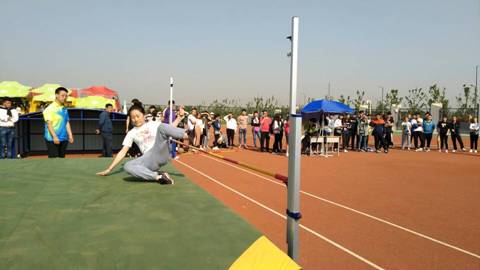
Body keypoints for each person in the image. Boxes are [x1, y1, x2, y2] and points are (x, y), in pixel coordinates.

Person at [97, 105, 187, 184]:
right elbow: (123, 151)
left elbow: (169, 128)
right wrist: (109, 169)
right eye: (132, 117)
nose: (135, 119)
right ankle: (159, 176)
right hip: (149, 160)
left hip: (161, 151)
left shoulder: (153, 124)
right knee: (127, 166)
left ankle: (187, 134)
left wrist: (179, 118)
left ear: (143, 115)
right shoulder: (131, 133)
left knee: (162, 127)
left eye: (137, 116)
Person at [42, 87, 74, 158]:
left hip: (64, 138)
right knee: (54, 162)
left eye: (66, 96)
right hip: (52, 139)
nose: (65, 97)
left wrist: (70, 135)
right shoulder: (50, 109)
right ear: (56, 95)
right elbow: (49, 124)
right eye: (62, 95)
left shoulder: (64, 108)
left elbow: (67, 122)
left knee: (61, 160)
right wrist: (55, 137)